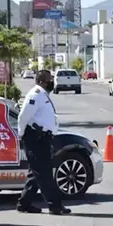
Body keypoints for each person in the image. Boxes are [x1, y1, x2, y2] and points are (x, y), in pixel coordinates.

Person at [16, 69, 71, 215]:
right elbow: (23, 116)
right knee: (44, 173)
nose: (51, 82)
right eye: (49, 80)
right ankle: (55, 205)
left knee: (35, 173)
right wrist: (21, 135)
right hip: (35, 138)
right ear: (41, 81)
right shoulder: (35, 95)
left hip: (43, 138)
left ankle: (24, 203)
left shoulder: (42, 94)